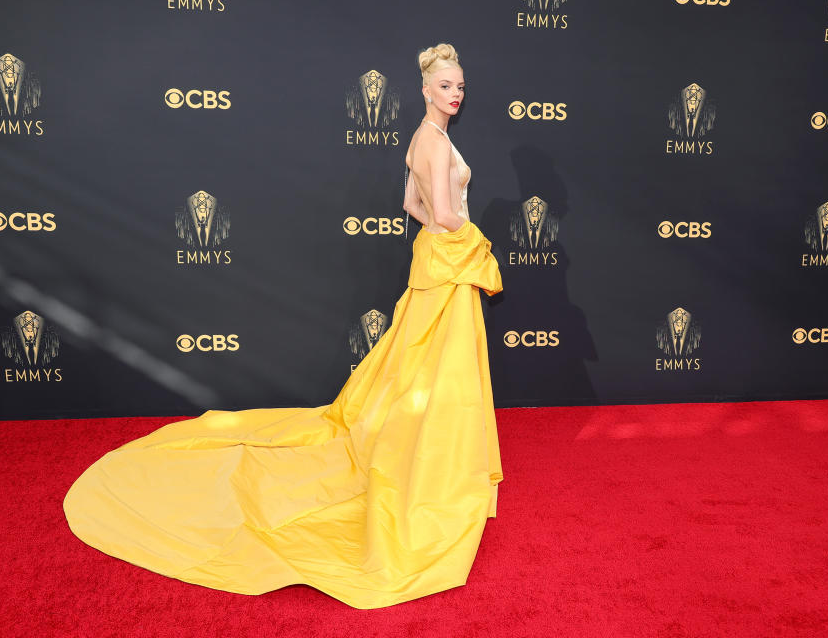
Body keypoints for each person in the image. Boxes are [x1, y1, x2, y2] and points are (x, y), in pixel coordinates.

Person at [63, 42, 504, 610]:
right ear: (424, 90)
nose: (456, 93)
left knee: (419, 367)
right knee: (433, 367)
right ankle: (431, 464)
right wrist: (476, 242)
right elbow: (442, 214)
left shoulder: (425, 141)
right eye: (446, 86)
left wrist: (449, 236)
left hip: (435, 263)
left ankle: (427, 450)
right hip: (447, 267)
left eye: (460, 85)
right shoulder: (434, 142)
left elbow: (411, 207)